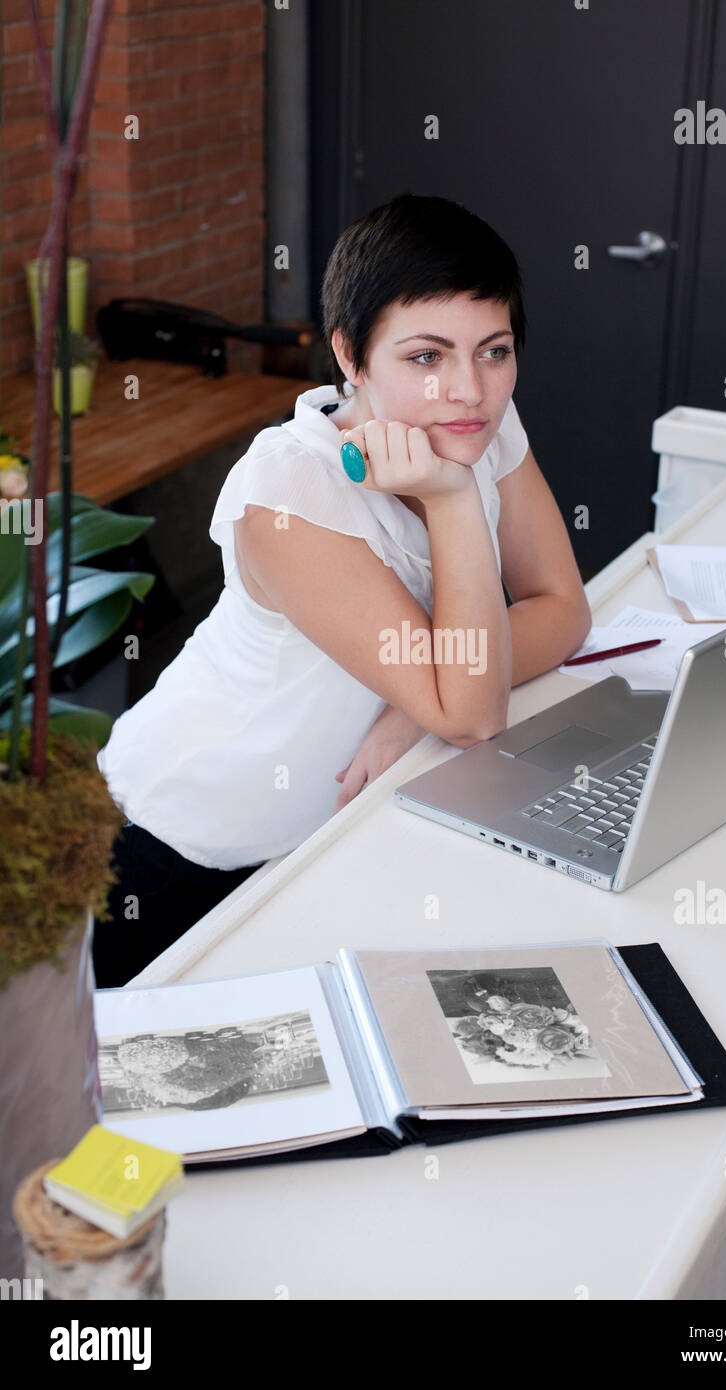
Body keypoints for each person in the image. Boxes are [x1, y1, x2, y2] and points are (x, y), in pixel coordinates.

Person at [93, 193, 591, 987]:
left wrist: (410, 708)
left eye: (494, 351)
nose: (468, 388)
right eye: (425, 357)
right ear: (352, 358)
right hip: (182, 848)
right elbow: (471, 712)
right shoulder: (288, 491)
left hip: (327, 840)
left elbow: (563, 608)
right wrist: (455, 502)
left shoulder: (480, 425)